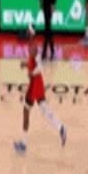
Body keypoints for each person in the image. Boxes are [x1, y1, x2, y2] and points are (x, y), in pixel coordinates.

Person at [14, 26, 66, 154]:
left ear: (31, 34)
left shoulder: (33, 47)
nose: (25, 33)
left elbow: (40, 66)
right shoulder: (32, 45)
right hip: (38, 82)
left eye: (27, 32)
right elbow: (34, 63)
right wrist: (26, 64)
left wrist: (31, 73)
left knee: (26, 111)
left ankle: (24, 144)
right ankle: (61, 128)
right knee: (44, 109)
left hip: (35, 83)